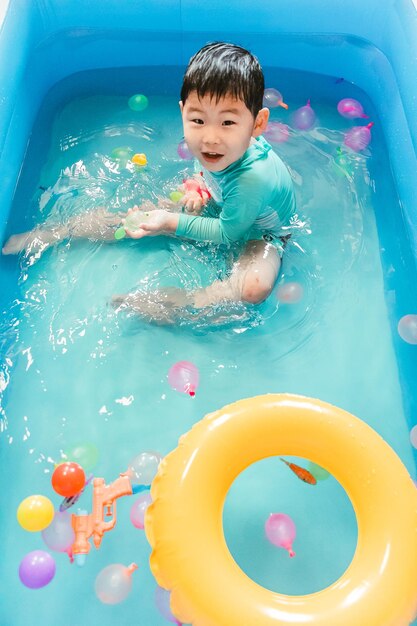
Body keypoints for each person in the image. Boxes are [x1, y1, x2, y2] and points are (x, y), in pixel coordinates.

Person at [2, 42, 297, 321]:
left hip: (262, 235)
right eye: (198, 120)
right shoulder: (216, 147)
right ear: (184, 113)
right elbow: (210, 176)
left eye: (228, 122)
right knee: (141, 218)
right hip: (226, 207)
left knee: (253, 288)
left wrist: (169, 221)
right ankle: (59, 231)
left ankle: (182, 303)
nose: (210, 137)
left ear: (257, 124)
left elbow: (229, 232)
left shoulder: (253, 178)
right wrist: (199, 185)